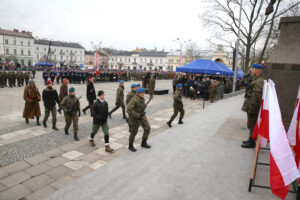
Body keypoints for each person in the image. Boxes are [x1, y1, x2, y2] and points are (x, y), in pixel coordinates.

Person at [241, 64, 265, 148]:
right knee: (251, 124)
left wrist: (252, 108)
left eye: (253, 69)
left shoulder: (259, 81)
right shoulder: (256, 79)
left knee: (252, 124)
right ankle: (250, 139)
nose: (252, 71)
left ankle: (251, 142)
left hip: (253, 106)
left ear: (258, 70)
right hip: (251, 104)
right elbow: (244, 80)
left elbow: (257, 96)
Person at [127, 87, 151, 152]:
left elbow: (140, 106)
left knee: (147, 128)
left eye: (144, 92)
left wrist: (144, 107)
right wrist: (137, 115)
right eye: (143, 93)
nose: (144, 94)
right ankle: (130, 145)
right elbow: (128, 109)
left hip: (142, 116)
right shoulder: (134, 100)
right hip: (134, 118)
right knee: (133, 132)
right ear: (139, 93)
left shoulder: (141, 98)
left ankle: (143, 143)